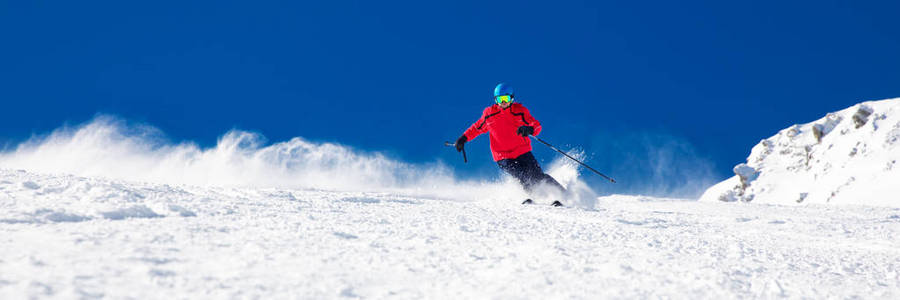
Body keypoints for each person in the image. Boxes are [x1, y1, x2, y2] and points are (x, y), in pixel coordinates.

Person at [455, 83, 567, 206]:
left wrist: (529, 129)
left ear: (511, 99)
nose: (503, 102)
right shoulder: (489, 114)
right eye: (500, 99)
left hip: (522, 152)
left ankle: (564, 196)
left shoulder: (519, 111)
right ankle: (538, 199)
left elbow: (535, 124)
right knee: (522, 176)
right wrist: (463, 138)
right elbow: (476, 128)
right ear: (495, 100)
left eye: (506, 99)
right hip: (503, 156)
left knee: (537, 176)